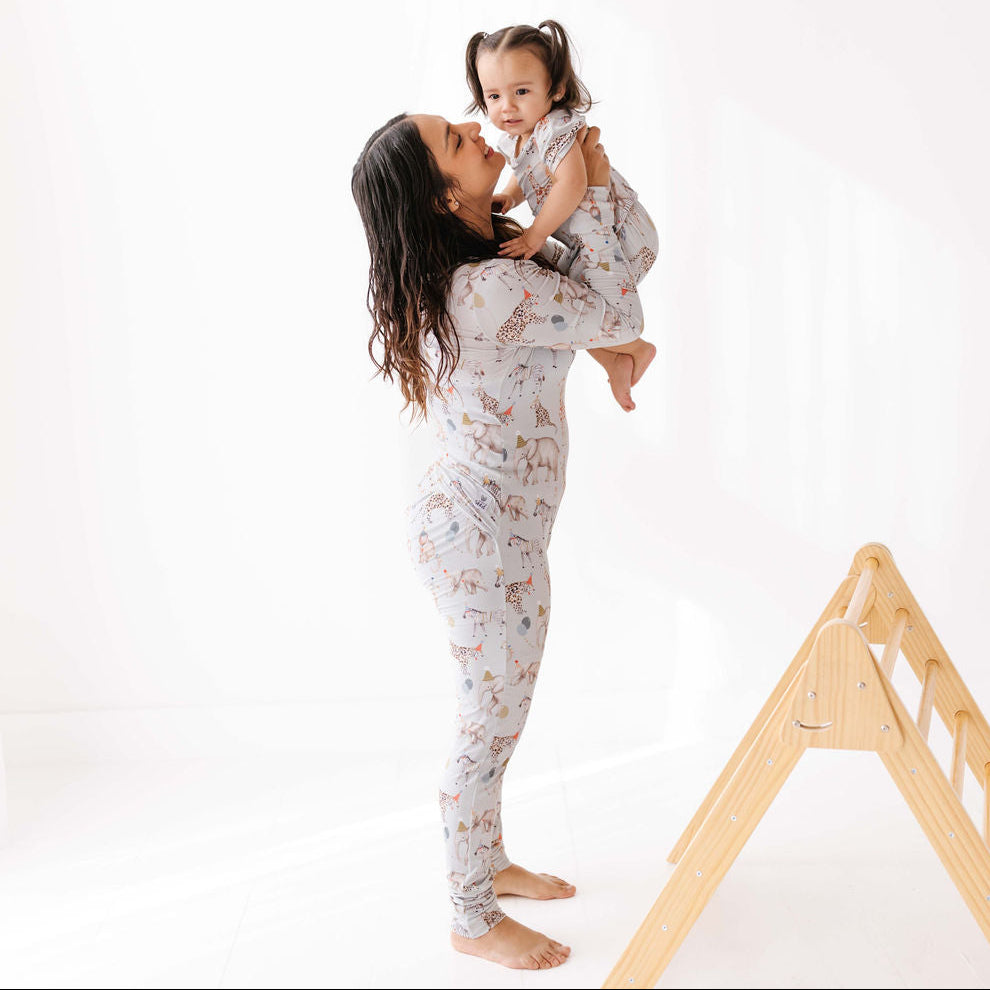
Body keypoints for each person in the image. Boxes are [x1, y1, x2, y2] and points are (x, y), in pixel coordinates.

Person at [351, 110, 653, 971]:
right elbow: (618, 308)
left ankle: (491, 862)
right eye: (456, 140)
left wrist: (591, 186)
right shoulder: (483, 289)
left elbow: (626, 267)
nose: (477, 126)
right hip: (482, 542)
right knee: (489, 728)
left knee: (498, 717)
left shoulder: (502, 257)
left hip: (493, 531)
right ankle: (471, 916)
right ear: (444, 196)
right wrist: (585, 192)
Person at [466, 18, 660, 410]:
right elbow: (528, 171)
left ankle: (633, 349)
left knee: (572, 300)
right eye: (494, 96)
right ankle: (618, 359)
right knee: (564, 299)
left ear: (555, 89)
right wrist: (509, 196)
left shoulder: (554, 128)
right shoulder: (520, 137)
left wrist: (535, 235)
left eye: (521, 91)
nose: (506, 107)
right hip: (590, 238)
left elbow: (572, 183)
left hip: (623, 233)